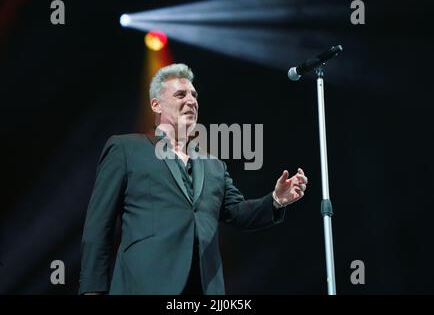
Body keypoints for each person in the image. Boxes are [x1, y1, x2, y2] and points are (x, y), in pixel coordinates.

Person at [79, 63, 308, 295]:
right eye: (181, 94)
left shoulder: (214, 166)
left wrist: (276, 200)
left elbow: (238, 213)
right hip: (144, 285)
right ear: (155, 104)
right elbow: (99, 225)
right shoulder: (126, 149)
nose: (191, 100)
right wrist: (92, 291)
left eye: (194, 95)